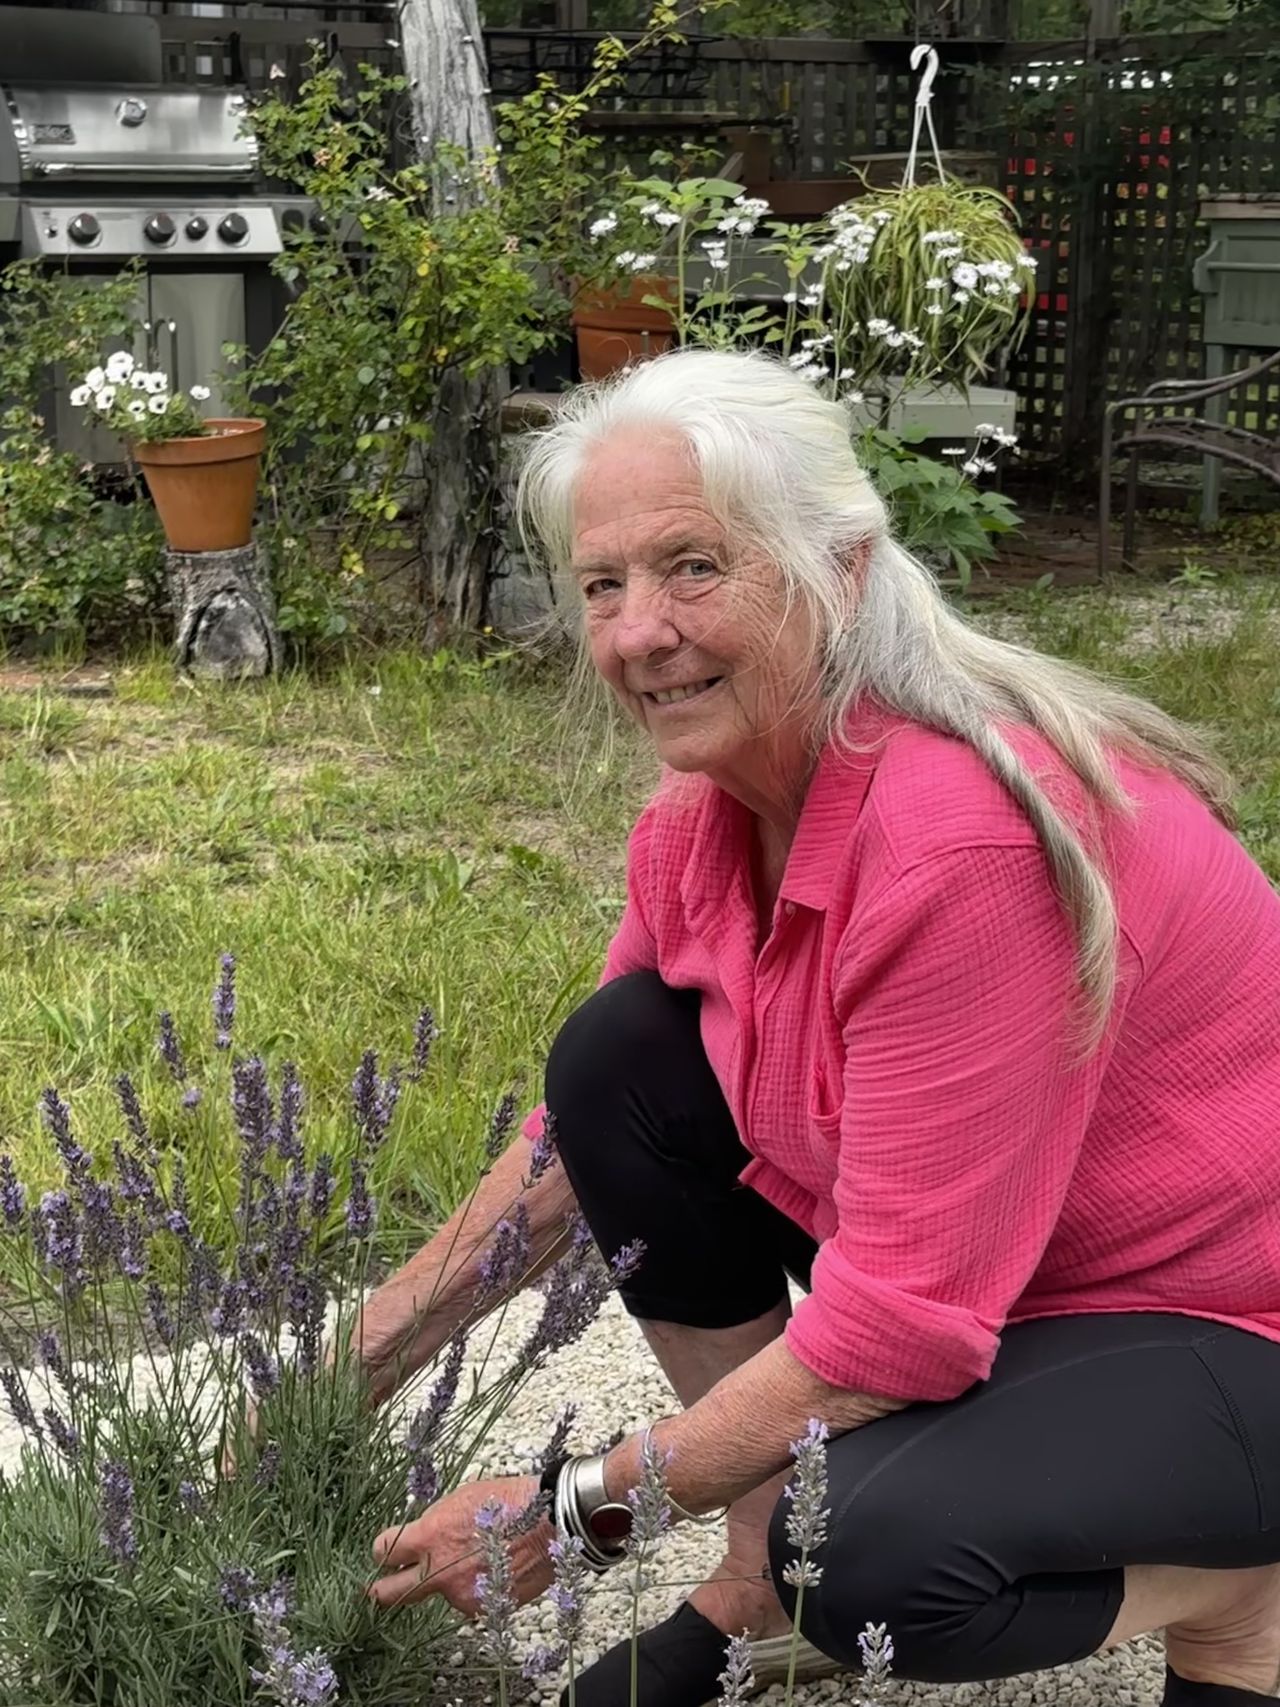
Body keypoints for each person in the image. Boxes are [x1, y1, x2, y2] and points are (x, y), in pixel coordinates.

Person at [363, 347, 1280, 1707]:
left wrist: (577, 1513)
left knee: (859, 1556)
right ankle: (755, 1576)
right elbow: (583, 1140)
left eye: (693, 567)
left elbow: (899, 1331)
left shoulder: (957, 840)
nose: (635, 632)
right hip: (1015, 1288)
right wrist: (341, 1371)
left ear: (841, 569)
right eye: (604, 585)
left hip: (1226, 1324)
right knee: (623, 1060)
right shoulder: (709, 817)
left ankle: (1243, 1599)